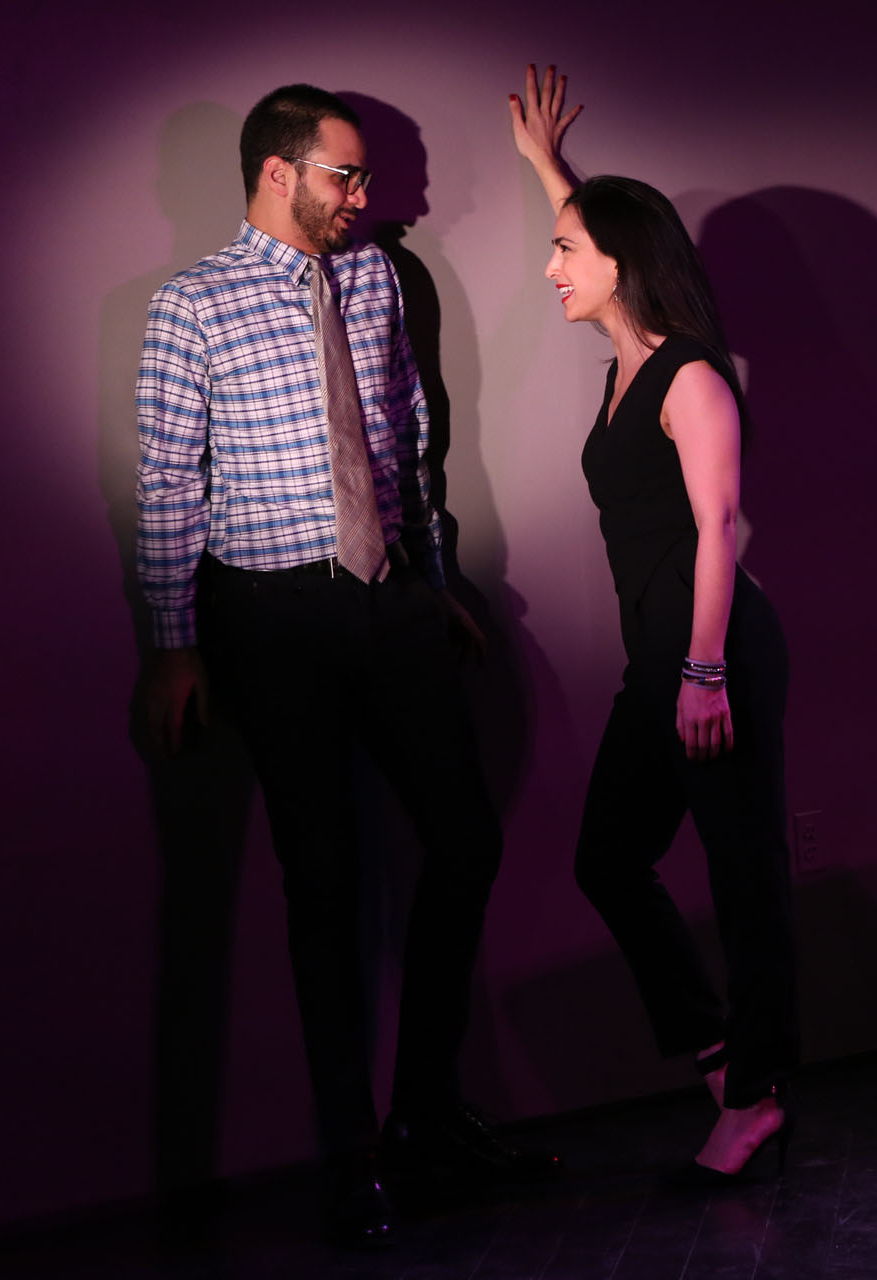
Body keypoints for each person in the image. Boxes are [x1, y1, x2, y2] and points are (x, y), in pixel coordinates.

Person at [136, 83, 552, 1246]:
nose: (365, 196)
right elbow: (167, 479)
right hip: (270, 616)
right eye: (345, 174)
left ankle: (424, 1115)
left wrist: (431, 577)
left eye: (365, 176)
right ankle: (348, 1153)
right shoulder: (191, 304)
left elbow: (405, 433)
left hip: (388, 600)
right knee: (320, 882)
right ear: (278, 172)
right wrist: (171, 643)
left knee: (464, 837)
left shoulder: (372, 279)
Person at [507, 65, 798, 1183]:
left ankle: (756, 1097)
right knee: (609, 858)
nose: (550, 268)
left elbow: (720, 525)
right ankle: (719, 1052)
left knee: (743, 874)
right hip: (661, 657)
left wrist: (705, 669)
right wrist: (550, 171)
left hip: (713, 653)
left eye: (564, 251)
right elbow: (602, 232)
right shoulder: (629, 359)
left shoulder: (692, 377)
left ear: (619, 264)